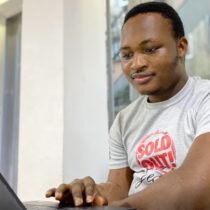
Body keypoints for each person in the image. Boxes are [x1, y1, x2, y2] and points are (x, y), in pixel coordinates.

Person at [46, 2, 210, 209]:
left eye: (150, 49)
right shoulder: (124, 120)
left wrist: (124, 207)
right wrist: (91, 193)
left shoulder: (204, 99)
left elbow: (197, 186)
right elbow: (119, 189)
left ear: (181, 47)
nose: (137, 63)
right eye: (126, 55)